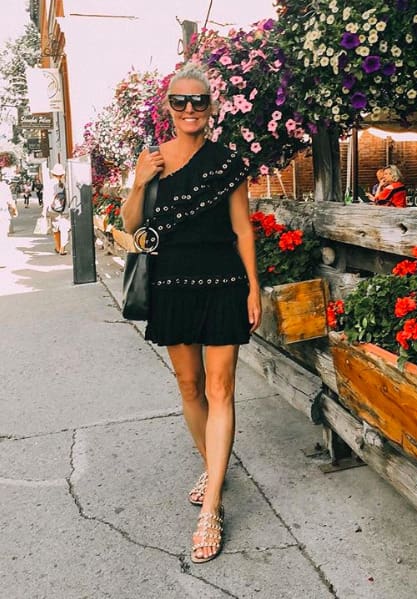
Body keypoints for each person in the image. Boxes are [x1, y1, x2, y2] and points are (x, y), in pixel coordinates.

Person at [121, 64, 262, 564]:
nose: (188, 110)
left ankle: (213, 505)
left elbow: (243, 229)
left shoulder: (227, 162)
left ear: (211, 107)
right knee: (190, 388)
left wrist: (254, 287)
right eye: (179, 101)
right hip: (172, 284)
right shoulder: (153, 160)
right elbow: (134, 227)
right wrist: (138, 183)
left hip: (223, 283)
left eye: (198, 101)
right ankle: (214, 466)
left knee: (221, 389)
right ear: (167, 107)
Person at [49, 163, 70, 254]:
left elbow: (47, 198)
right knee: (64, 228)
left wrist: (44, 211)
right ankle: (62, 248)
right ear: (62, 174)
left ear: (53, 174)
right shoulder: (65, 184)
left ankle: (57, 247)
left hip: (53, 209)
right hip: (64, 209)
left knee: (56, 228)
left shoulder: (50, 183)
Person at [0, 175, 18, 267]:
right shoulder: (3, 187)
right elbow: (10, 201)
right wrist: (14, 210)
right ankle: (1, 260)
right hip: (2, 214)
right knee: (2, 237)